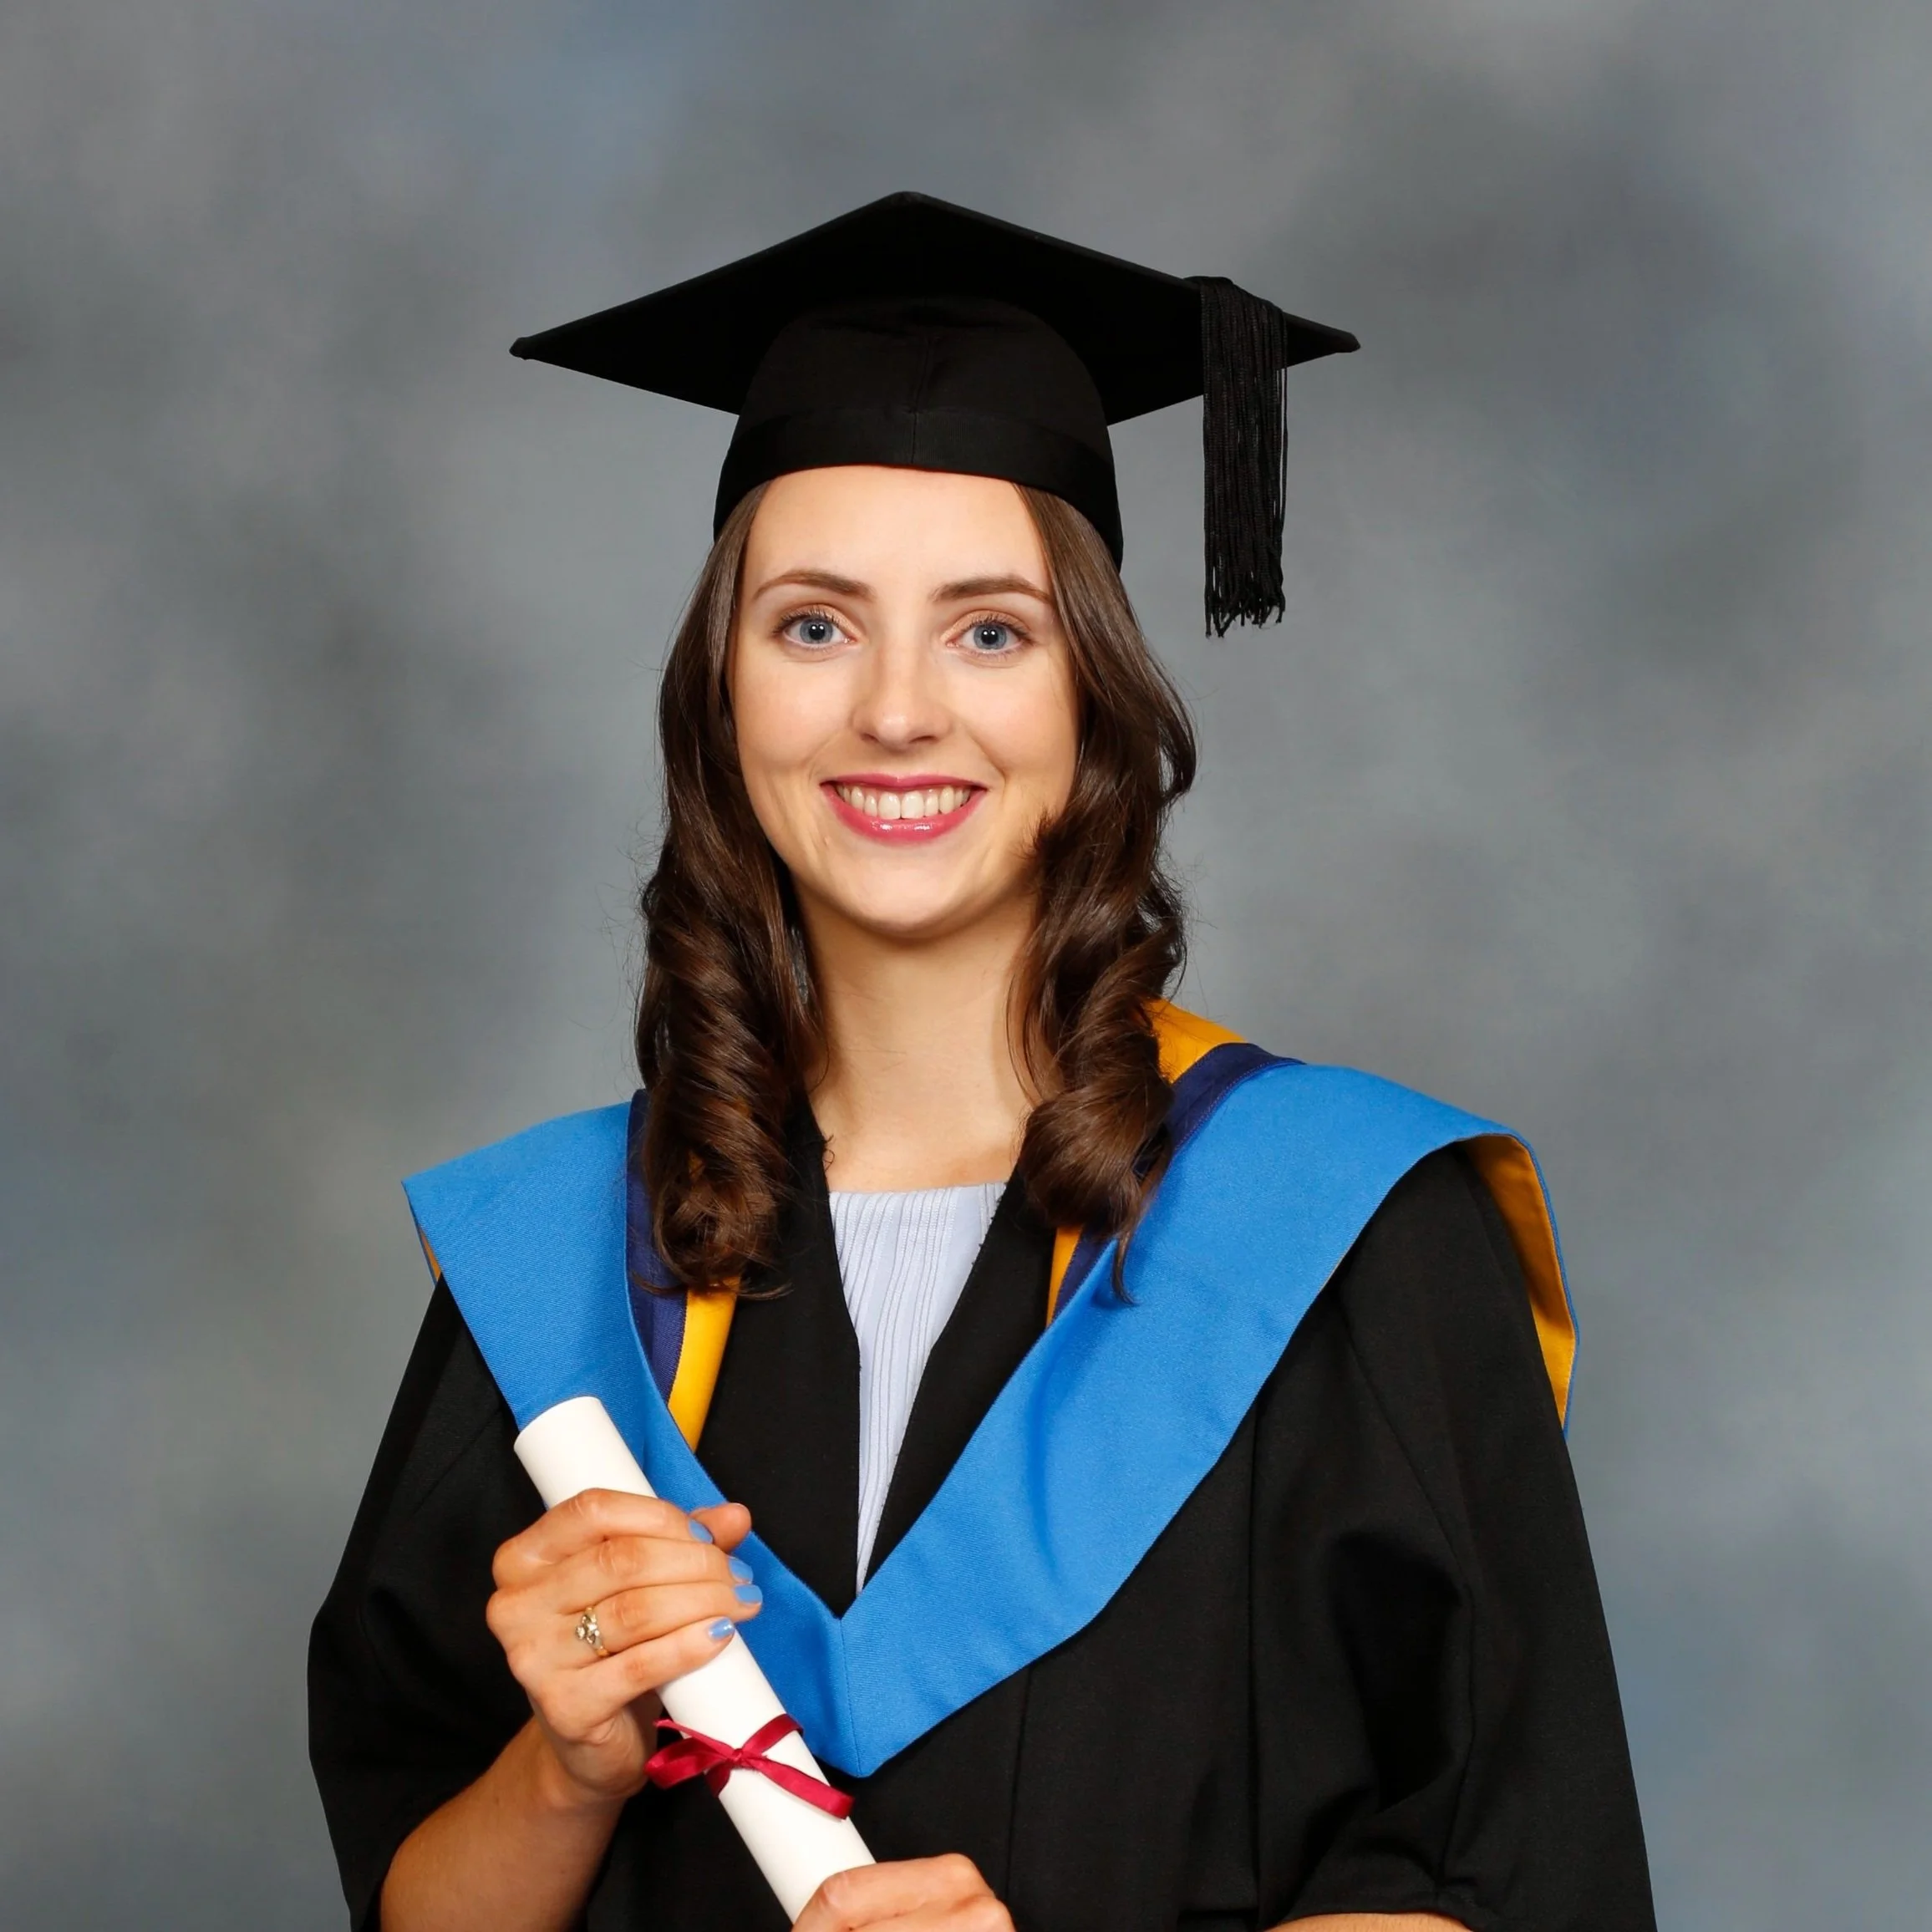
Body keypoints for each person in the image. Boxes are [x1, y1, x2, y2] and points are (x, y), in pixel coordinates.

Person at [309, 194, 1656, 1932]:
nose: (893, 710)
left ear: (1090, 697)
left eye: (989, 629)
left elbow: (1522, 1882)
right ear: (720, 696)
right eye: (811, 624)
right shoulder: (561, 1267)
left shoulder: (1350, 1239)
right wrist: (563, 1766)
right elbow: (419, 1902)